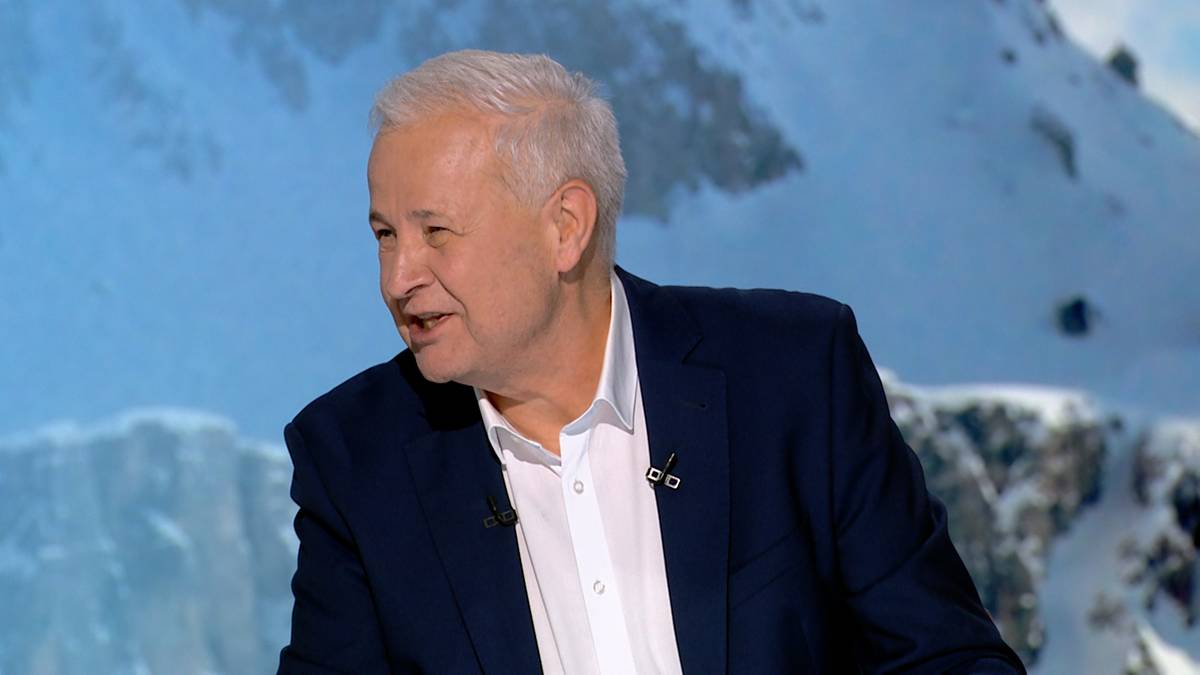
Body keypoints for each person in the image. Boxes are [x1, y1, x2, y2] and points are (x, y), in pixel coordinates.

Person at [278, 50, 1024, 674]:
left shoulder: (792, 376)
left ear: (565, 226)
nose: (398, 277)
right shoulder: (354, 460)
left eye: (435, 232)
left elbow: (948, 659)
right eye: (384, 235)